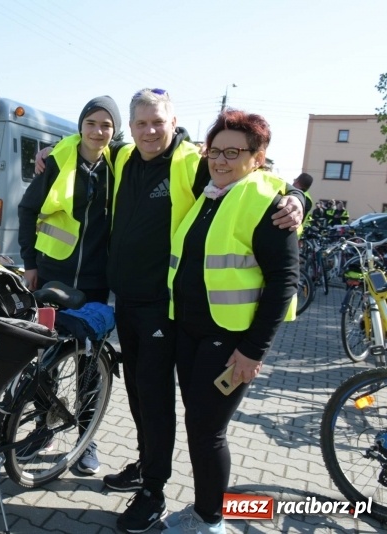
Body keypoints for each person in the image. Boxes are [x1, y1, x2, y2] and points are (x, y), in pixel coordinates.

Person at [33, 89, 304, 534]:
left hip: (165, 309)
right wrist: (52, 150)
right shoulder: (122, 157)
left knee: (157, 401)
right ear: (131, 128)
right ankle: (146, 466)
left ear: (174, 122)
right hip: (127, 303)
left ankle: (154, 493)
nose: (149, 131)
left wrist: (298, 199)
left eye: (158, 122)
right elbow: (86, 141)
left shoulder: (192, 161)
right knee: (139, 395)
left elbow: (256, 179)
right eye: (140, 124)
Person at [163, 109, 299, 534]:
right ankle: (206, 507)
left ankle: (211, 520)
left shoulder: (267, 203)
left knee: (208, 430)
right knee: (198, 423)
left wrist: (253, 351)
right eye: (214, 151)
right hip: (190, 331)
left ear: (258, 157)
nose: (220, 160)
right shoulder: (210, 194)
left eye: (233, 152)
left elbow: (284, 281)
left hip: (232, 340)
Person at [18, 95, 121, 475]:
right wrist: (30, 263)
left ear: (115, 131)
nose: (98, 131)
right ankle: (43, 425)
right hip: (51, 279)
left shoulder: (121, 165)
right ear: (80, 126)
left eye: (106, 125)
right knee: (43, 357)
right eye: (91, 123)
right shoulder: (58, 160)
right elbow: (28, 209)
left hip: (95, 283)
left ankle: (85, 437)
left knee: (89, 364)